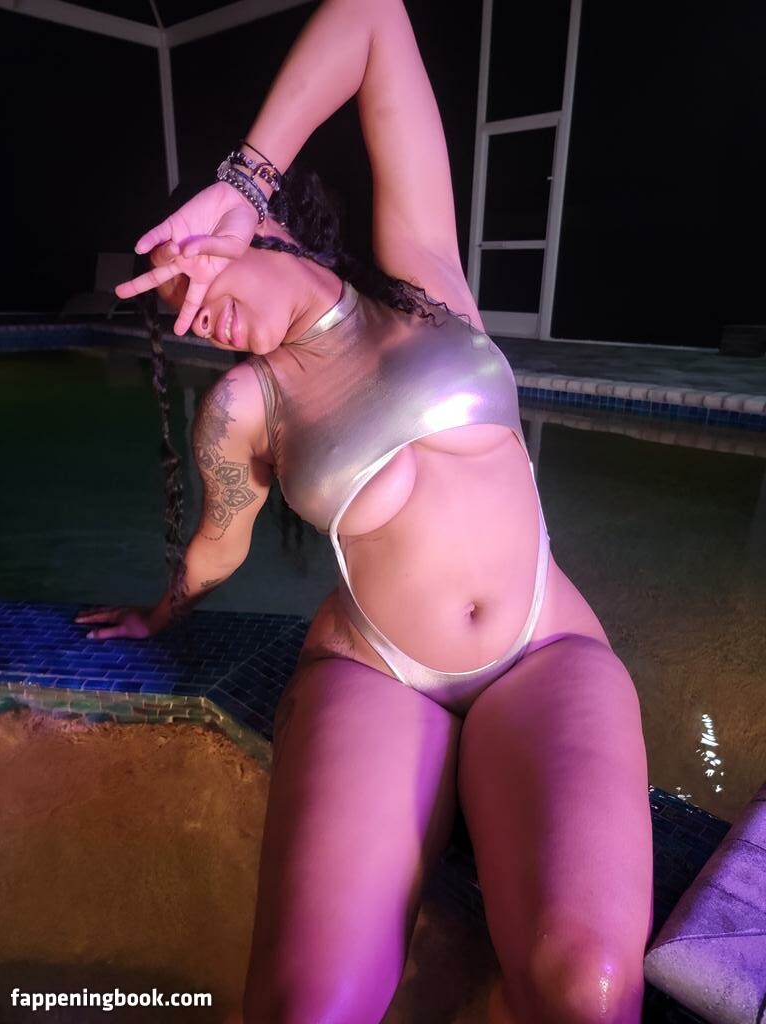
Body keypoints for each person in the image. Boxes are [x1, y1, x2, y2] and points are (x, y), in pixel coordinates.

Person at [76, 1, 654, 1020]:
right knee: (312, 1006)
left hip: (542, 647)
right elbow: (220, 543)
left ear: (255, 227)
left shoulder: (420, 276)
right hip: (378, 671)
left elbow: (375, 16)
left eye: (190, 275)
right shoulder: (244, 407)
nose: (196, 316)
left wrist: (240, 177)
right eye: (177, 313)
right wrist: (163, 611)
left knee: (589, 987)